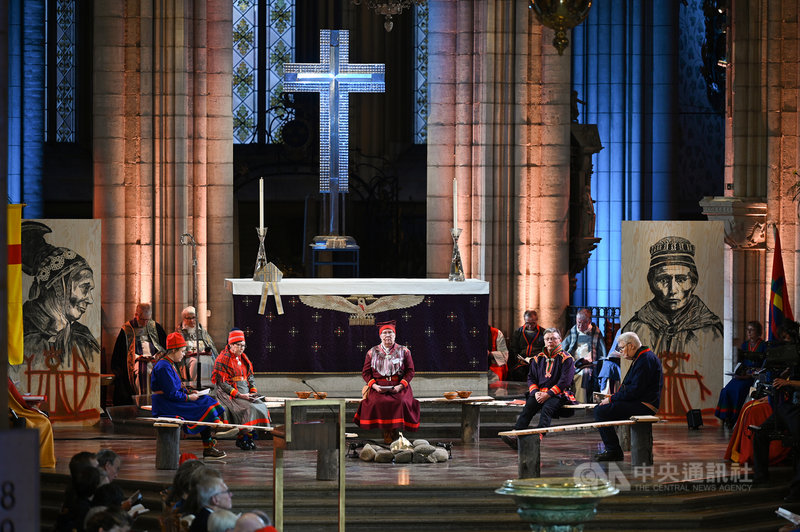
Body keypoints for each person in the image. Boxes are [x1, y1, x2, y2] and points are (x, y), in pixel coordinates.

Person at [622, 236, 723, 371]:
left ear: (693, 282)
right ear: (651, 282)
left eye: (681, 279)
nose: (672, 290)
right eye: (664, 280)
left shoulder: (711, 331)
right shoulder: (636, 328)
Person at [20, 220, 100, 369]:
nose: (90, 299)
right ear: (59, 285)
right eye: (84, 287)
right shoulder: (19, 333)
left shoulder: (83, 338)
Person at [151, 332, 233, 459]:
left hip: (170, 400)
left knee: (205, 399)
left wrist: (190, 392)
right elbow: (171, 393)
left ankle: (216, 427)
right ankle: (215, 429)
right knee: (203, 405)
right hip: (165, 404)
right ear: (174, 350)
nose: (184, 354)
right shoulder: (163, 366)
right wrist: (188, 398)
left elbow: (175, 388)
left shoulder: (169, 364)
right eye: (182, 351)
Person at [501, 328, 576, 450]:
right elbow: (531, 378)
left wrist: (549, 394)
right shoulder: (537, 358)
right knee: (529, 407)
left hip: (558, 394)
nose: (550, 341)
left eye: (553, 338)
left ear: (560, 340)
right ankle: (516, 435)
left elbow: (565, 381)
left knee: (547, 409)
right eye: (547, 339)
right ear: (544, 341)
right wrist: (535, 393)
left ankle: (538, 437)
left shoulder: (567, 358)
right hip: (540, 393)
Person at [593, 331, 663, 461]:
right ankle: (613, 450)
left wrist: (612, 399)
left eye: (621, 348)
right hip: (640, 402)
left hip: (644, 405)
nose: (620, 352)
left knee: (600, 411)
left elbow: (635, 391)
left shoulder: (645, 359)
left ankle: (614, 451)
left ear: (631, 345)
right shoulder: (642, 357)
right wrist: (612, 398)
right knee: (601, 408)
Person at [354, 321, 421, 443]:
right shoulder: (371, 352)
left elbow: (410, 371)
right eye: (384, 332)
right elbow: (366, 373)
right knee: (377, 402)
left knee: (402, 402)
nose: (387, 335)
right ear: (380, 336)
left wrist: (401, 386)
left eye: (390, 332)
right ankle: (387, 433)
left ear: (395, 335)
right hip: (378, 387)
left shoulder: (404, 351)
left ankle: (395, 432)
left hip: (399, 386)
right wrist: (374, 386)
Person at [211, 329, 272, 451]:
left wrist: (253, 391)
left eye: (243, 345)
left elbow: (250, 376)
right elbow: (222, 384)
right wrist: (239, 394)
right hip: (229, 394)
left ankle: (249, 436)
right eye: (238, 345)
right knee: (249, 408)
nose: (241, 348)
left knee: (261, 406)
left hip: (245, 392)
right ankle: (243, 437)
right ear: (231, 345)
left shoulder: (244, 358)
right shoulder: (222, 359)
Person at [752, 364, 800, 501]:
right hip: (787, 407)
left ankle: (796, 493)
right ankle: (761, 477)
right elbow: (781, 380)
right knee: (760, 434)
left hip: (798, 409)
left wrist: (788, 382)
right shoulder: (794, 360)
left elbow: (789, 382)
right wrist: (785, 373)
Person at [111, 302, 168, 404]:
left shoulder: (155, 326)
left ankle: (159, 404)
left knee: (162, 371)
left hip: (155, 359)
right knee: (143, 372)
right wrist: (138, 357)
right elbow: (122, 352)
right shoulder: (127, 329)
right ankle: (143, 403)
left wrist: (157, 355)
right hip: (135, 361)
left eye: (148, 319)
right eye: (143, 320)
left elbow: (163, 346)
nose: (146, 323)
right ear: (136, 315)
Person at [715, 321, 767, 428]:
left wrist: (751, 374)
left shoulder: (763, 346)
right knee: (726, 390)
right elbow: (741, 361)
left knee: (739, 391)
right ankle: (725, 416)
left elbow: (764, 366)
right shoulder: (745, 345)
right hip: (742, 375)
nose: (748, 332)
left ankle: (734, 418)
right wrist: (739, 371)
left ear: (758, 332)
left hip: (753, 377)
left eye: (751, 330)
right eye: (747, 329)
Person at [7, 376, 56, 467]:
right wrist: (28, 406)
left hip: (11, 413)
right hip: (10, 415)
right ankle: (43, 461)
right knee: (43, 422)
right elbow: (17, 401)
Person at [561, 308, 607, 402]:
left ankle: (580, 402)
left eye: (583, 323)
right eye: (578, 322)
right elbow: (563, 349)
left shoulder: (596, 332)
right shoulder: (573, 331)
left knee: (583, 374)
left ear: (589, 321)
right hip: (573, 361)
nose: (580, 326)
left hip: (589, 364)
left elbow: (602, 353)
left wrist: (592, 359)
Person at [177, 306, 218, 388]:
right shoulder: (180, 332)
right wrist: (184, 354)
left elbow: (211, 346)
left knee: (210, 361)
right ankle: (194, 387)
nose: (191, 321)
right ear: (183, 319)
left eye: (193, 318)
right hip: (188, 359)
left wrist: (209, 352)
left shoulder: (202, 331)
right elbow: (176, 351)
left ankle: (209, 387)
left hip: (204, 356)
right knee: (195, 362)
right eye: (188, 318)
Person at [507, 310, 546, 382]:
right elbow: (514, 349)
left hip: (538, 361)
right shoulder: (518, 332)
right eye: (528, 323)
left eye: (533, 323)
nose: (530, 326)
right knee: (518, 372)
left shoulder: (543, 332)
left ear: (537, 320)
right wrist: (519, 359)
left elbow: (545, 349)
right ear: (524, 320)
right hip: (522, 361)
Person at [487, 324, 510, 391]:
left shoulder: (496, 333)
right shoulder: (466, 332)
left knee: (495, 384)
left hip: (492, 366)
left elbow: (504, 355)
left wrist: (490, 354)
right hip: (472, 368)